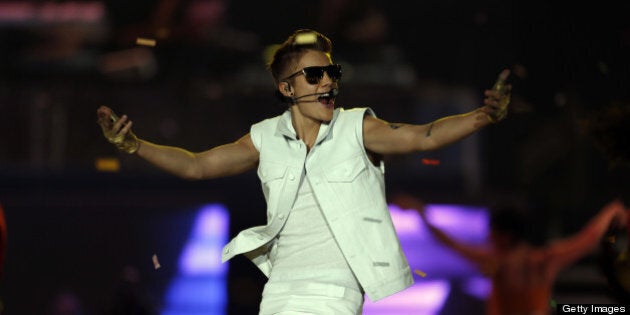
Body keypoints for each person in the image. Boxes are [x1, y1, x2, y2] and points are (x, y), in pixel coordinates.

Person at [96, 29, 511, 314]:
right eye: (315, 75)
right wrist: (136, 147)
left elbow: (424, 136)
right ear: (287, 89)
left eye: (332, 73)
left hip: (335, 294)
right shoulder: (264, 137)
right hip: (279, 293)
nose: (328, 82)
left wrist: (482, 117)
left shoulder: (356, 127)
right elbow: (196, 165)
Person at [393, 194, 629, 315]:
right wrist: (613, 211)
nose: (488, 238)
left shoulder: (497, 262)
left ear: (504, 235)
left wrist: (421, 213)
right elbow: (588, 238)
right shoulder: (546, 260)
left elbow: (451, 244)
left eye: (492, 233)